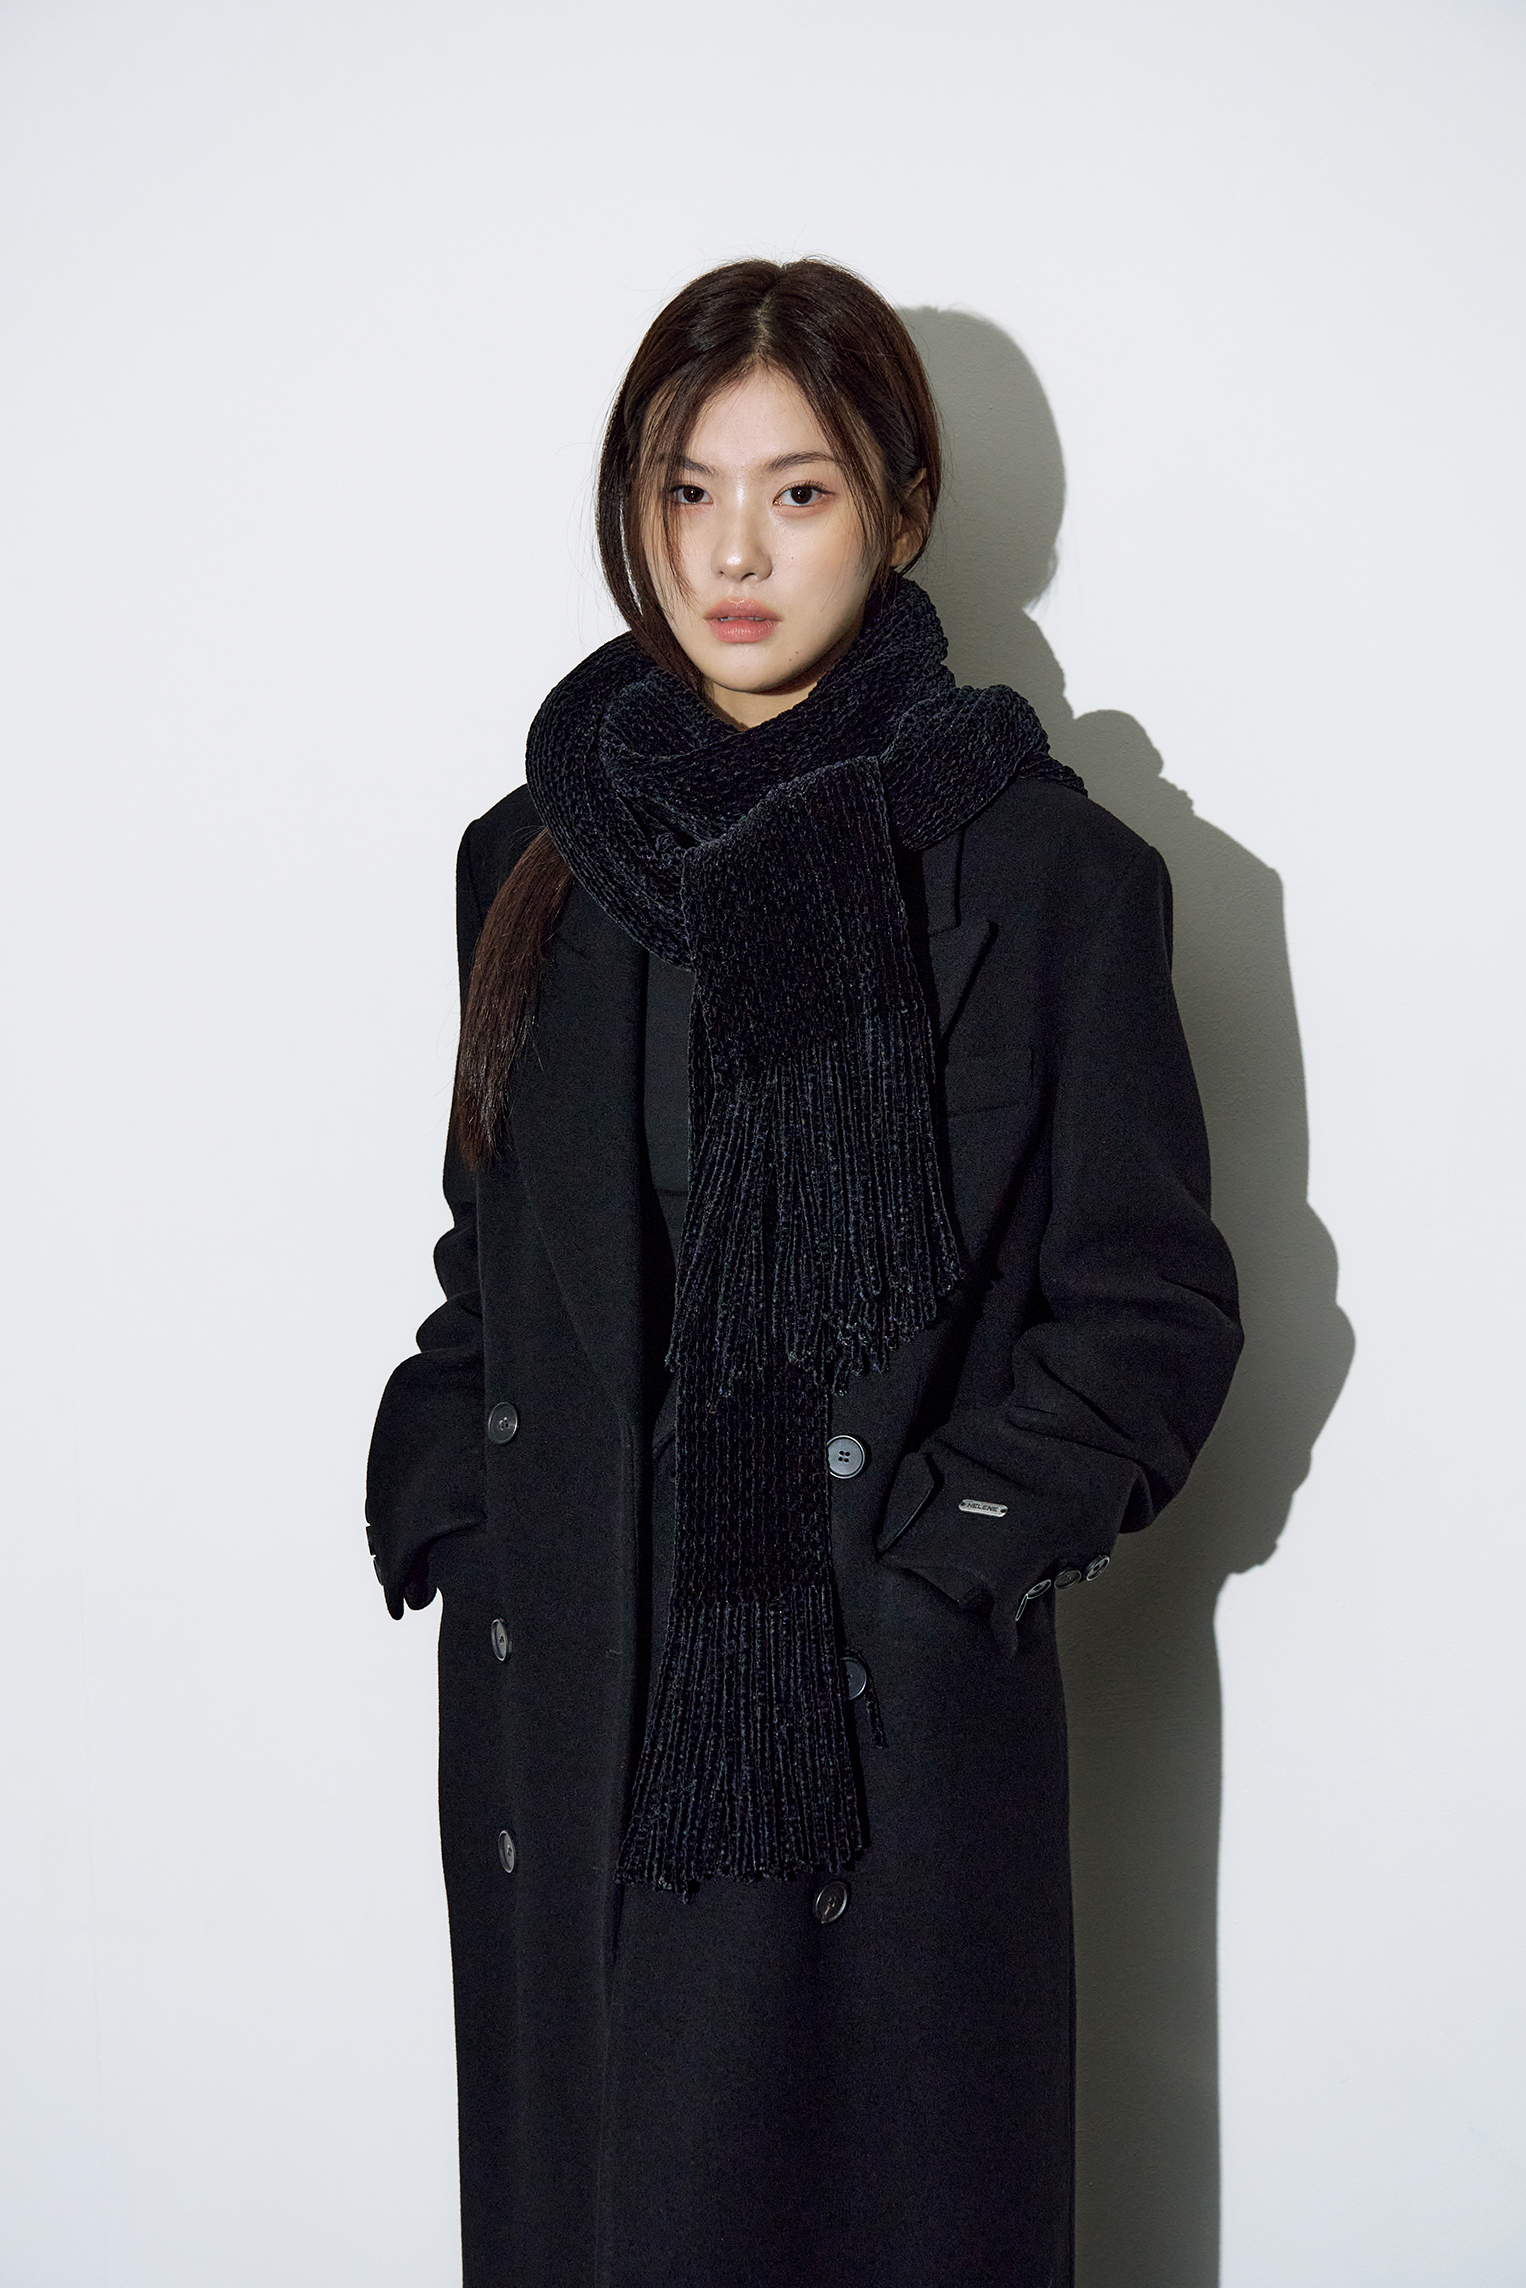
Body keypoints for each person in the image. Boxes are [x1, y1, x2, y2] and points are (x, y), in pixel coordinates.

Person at [366, 257, 1242, 2288]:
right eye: (685, 493)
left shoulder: (1044, 872)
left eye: (798, 492)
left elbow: (1149, 1308)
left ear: (899, 510)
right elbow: (492, 1260)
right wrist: (457, 1502)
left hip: (865, 1731)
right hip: (580, 1693)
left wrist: (942, 1564)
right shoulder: (529, 857)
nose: (731, 555)